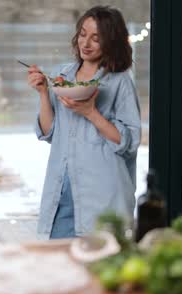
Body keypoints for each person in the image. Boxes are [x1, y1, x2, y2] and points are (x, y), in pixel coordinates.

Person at [27, 6, 142, 239]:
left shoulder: (120, 82)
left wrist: (91, 113)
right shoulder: (62, 75)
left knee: (100, 269)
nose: (86, 43)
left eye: (96, 38)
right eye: (82, 34)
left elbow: (129, 142)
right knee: (61, 267)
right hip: (61, 191)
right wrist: (42, 93)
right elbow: (49, 132)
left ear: (110, 41)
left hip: (103, 195)